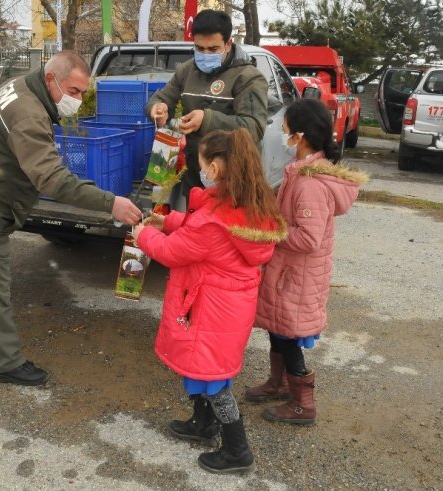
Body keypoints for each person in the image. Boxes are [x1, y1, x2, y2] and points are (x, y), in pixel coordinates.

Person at [0, 50, 142, 386]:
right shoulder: (30, 114)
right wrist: (110, 203)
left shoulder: (20, 85)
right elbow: (52, 179)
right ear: (51, 80)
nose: (78, 100)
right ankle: (5, 362)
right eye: (74, 91)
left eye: (83, 93)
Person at [132, 128, 286, 474]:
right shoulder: (243, 203)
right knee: (204, 371)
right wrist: (168, 220)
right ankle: (204, 425)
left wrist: (144, 233)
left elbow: (174, 250)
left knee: (214, 382)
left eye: (200, 162)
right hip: (226, 309)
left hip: (209, 311)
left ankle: (237, 450)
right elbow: (199, 227)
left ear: (215, 168)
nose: (199, 169)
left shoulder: (213, 222)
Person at [250, 98, 368, 425]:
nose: (281, 136)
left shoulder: (310, 183)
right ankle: (280, 384)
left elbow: (308, 238)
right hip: (288, 272)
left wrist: (270, 231)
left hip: (296, 276)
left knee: (288, 338)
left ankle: (304, 403)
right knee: (278, 329)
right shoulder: (301, 171)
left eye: (285, 130)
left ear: (299, 136)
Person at [146, 9, 268, 204]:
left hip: (232, 180)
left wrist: (206, 119)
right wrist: (157, 108)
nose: (205, 55)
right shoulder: (187, 70)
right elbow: (162, 97)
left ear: (228, 44)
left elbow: (254, 128)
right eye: (199, 48)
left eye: (212, 49)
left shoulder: (248, 77)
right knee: (194, 227)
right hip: (195, 176)